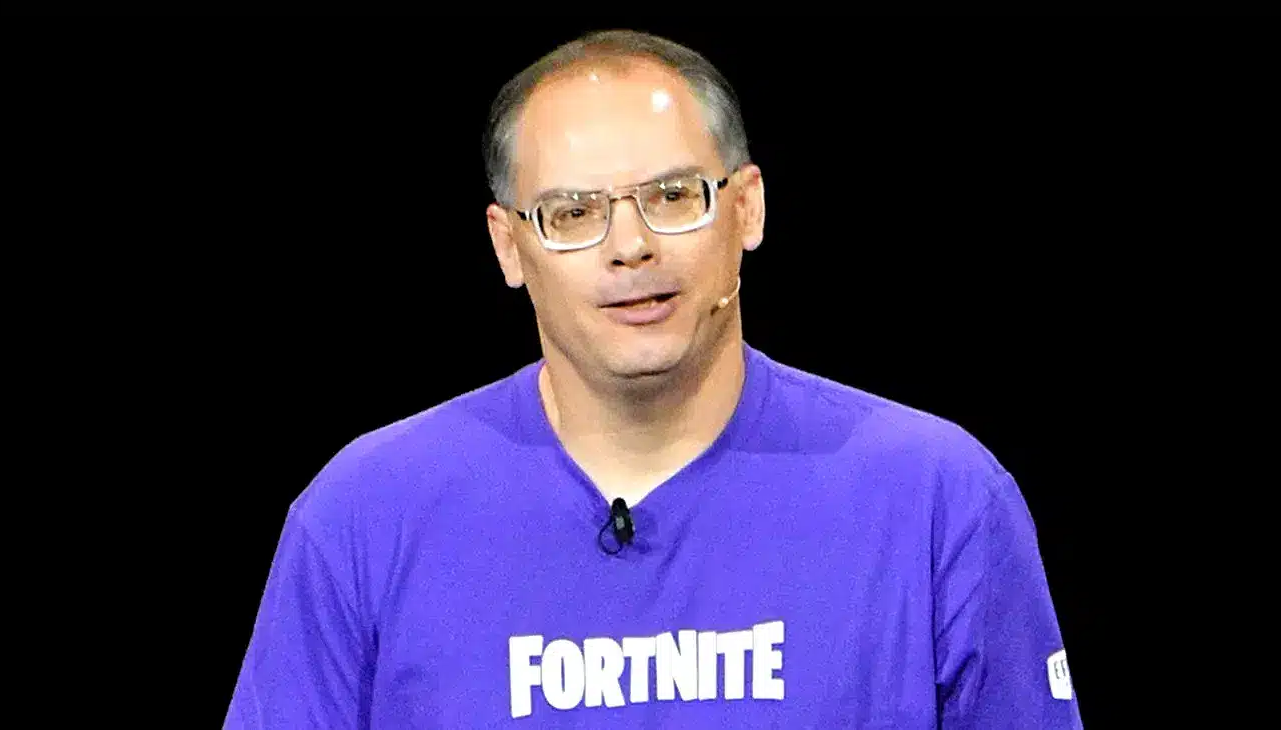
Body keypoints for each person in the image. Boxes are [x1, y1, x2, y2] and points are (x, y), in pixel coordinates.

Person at [223, 29, 1083, 729]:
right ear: (507, 246)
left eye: (673, 196)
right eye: (573, 213)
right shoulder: (363, 517)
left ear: (746, 207)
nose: (630, 247)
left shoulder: (938, 497)